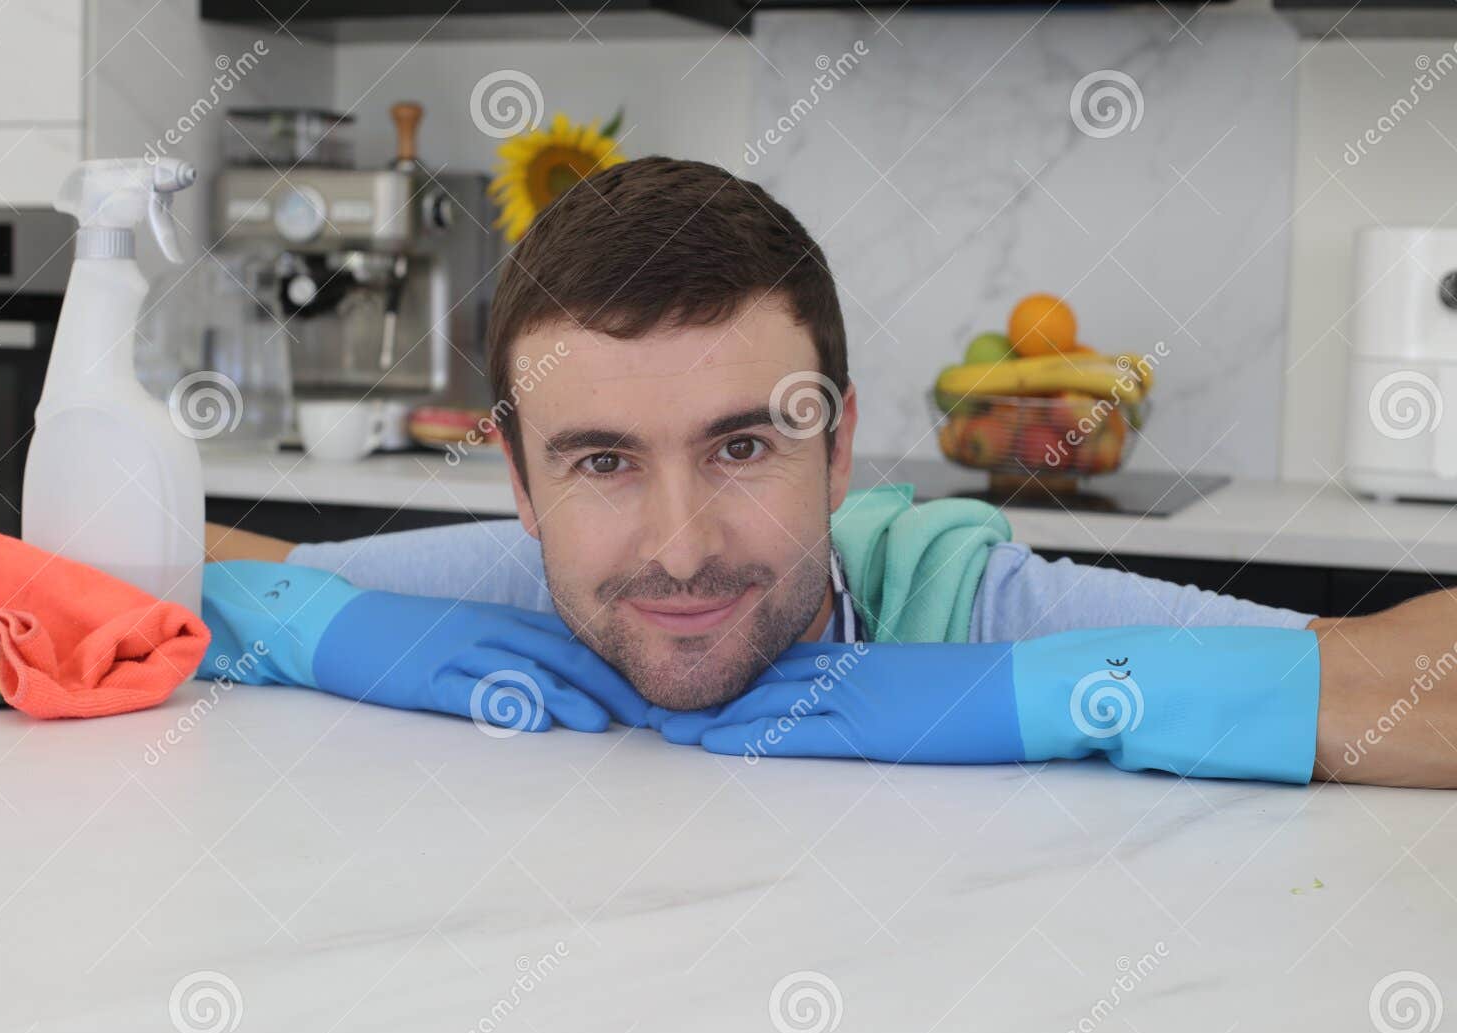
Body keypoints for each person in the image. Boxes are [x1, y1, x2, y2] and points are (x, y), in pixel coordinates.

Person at [207, 157, 1457, 789]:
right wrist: (332, 628)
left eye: (742, 445)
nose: (681, 545)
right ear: (523, 487)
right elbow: (96, 574)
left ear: (840, 447)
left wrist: (1072, 691)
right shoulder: (509, 596)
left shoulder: (971, 612)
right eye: (600, 462)